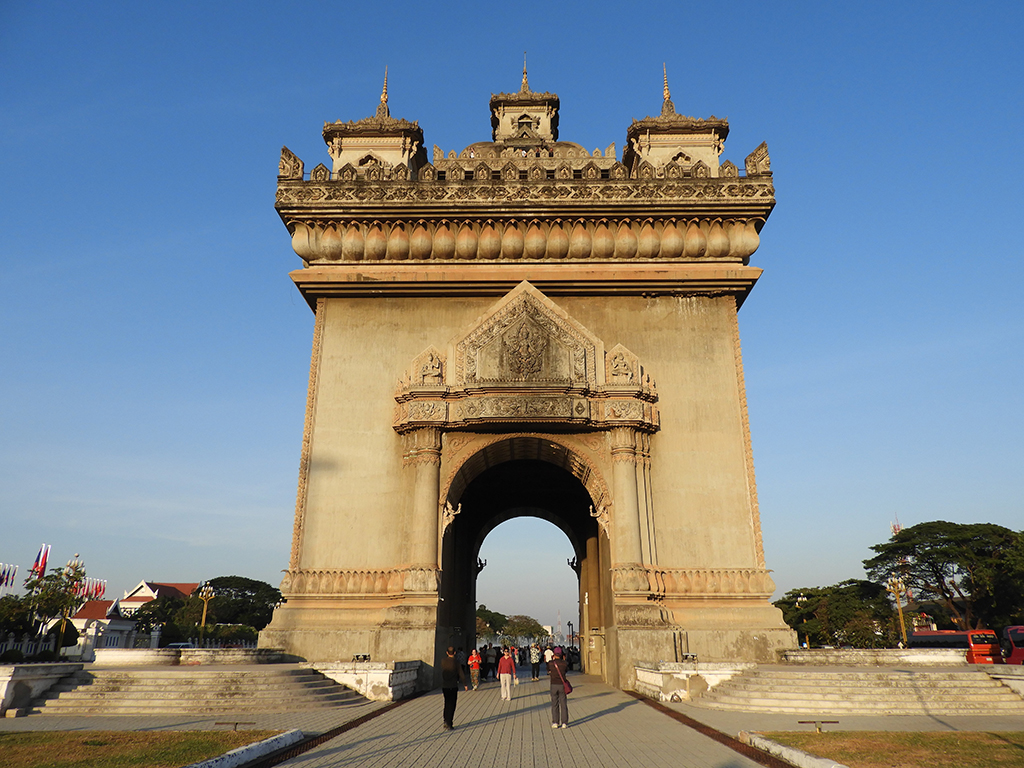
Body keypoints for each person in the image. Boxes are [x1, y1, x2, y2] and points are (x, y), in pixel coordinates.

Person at [440, 645, 468, 730]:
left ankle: (445, 720)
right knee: (452, 704)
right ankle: (449, 723)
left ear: (447, 652)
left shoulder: (443, 661)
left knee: (446, 703)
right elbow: (461, 673)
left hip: (445, 685)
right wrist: (465, 684)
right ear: (455, 653)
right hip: (453, 685)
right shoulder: (456, 662)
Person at [548, 647, 569, 728]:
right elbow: (566, 670)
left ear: (554, 654)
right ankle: (564, 722)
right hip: (562, 685)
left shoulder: (550, 663)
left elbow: (548, 670)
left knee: (554, 704)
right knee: (563, 704)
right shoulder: (564, 663)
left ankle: (555, 722)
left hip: (553, 684)